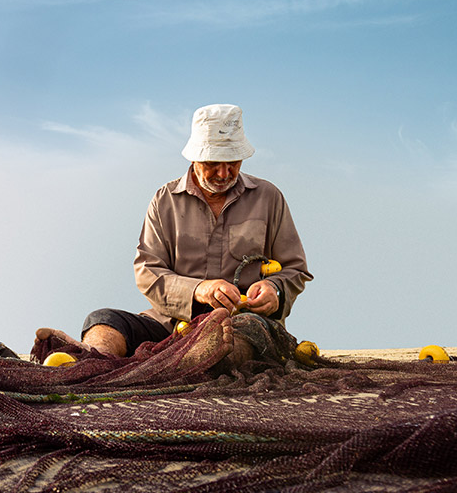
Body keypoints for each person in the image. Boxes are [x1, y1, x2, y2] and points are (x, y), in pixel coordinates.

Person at [35, 104, 312, 366]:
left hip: (243, 324)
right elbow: (147, 271)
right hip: (172, 325)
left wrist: (275, 289)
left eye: (233, 162)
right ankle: (87, 359)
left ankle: (196, 359)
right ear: (194, 157)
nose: (224, 172)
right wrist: (199, 290)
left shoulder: (269, 197)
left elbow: (295, 269)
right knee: (103, 320)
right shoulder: (164, 200)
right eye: (213, 163)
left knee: (231, 337)